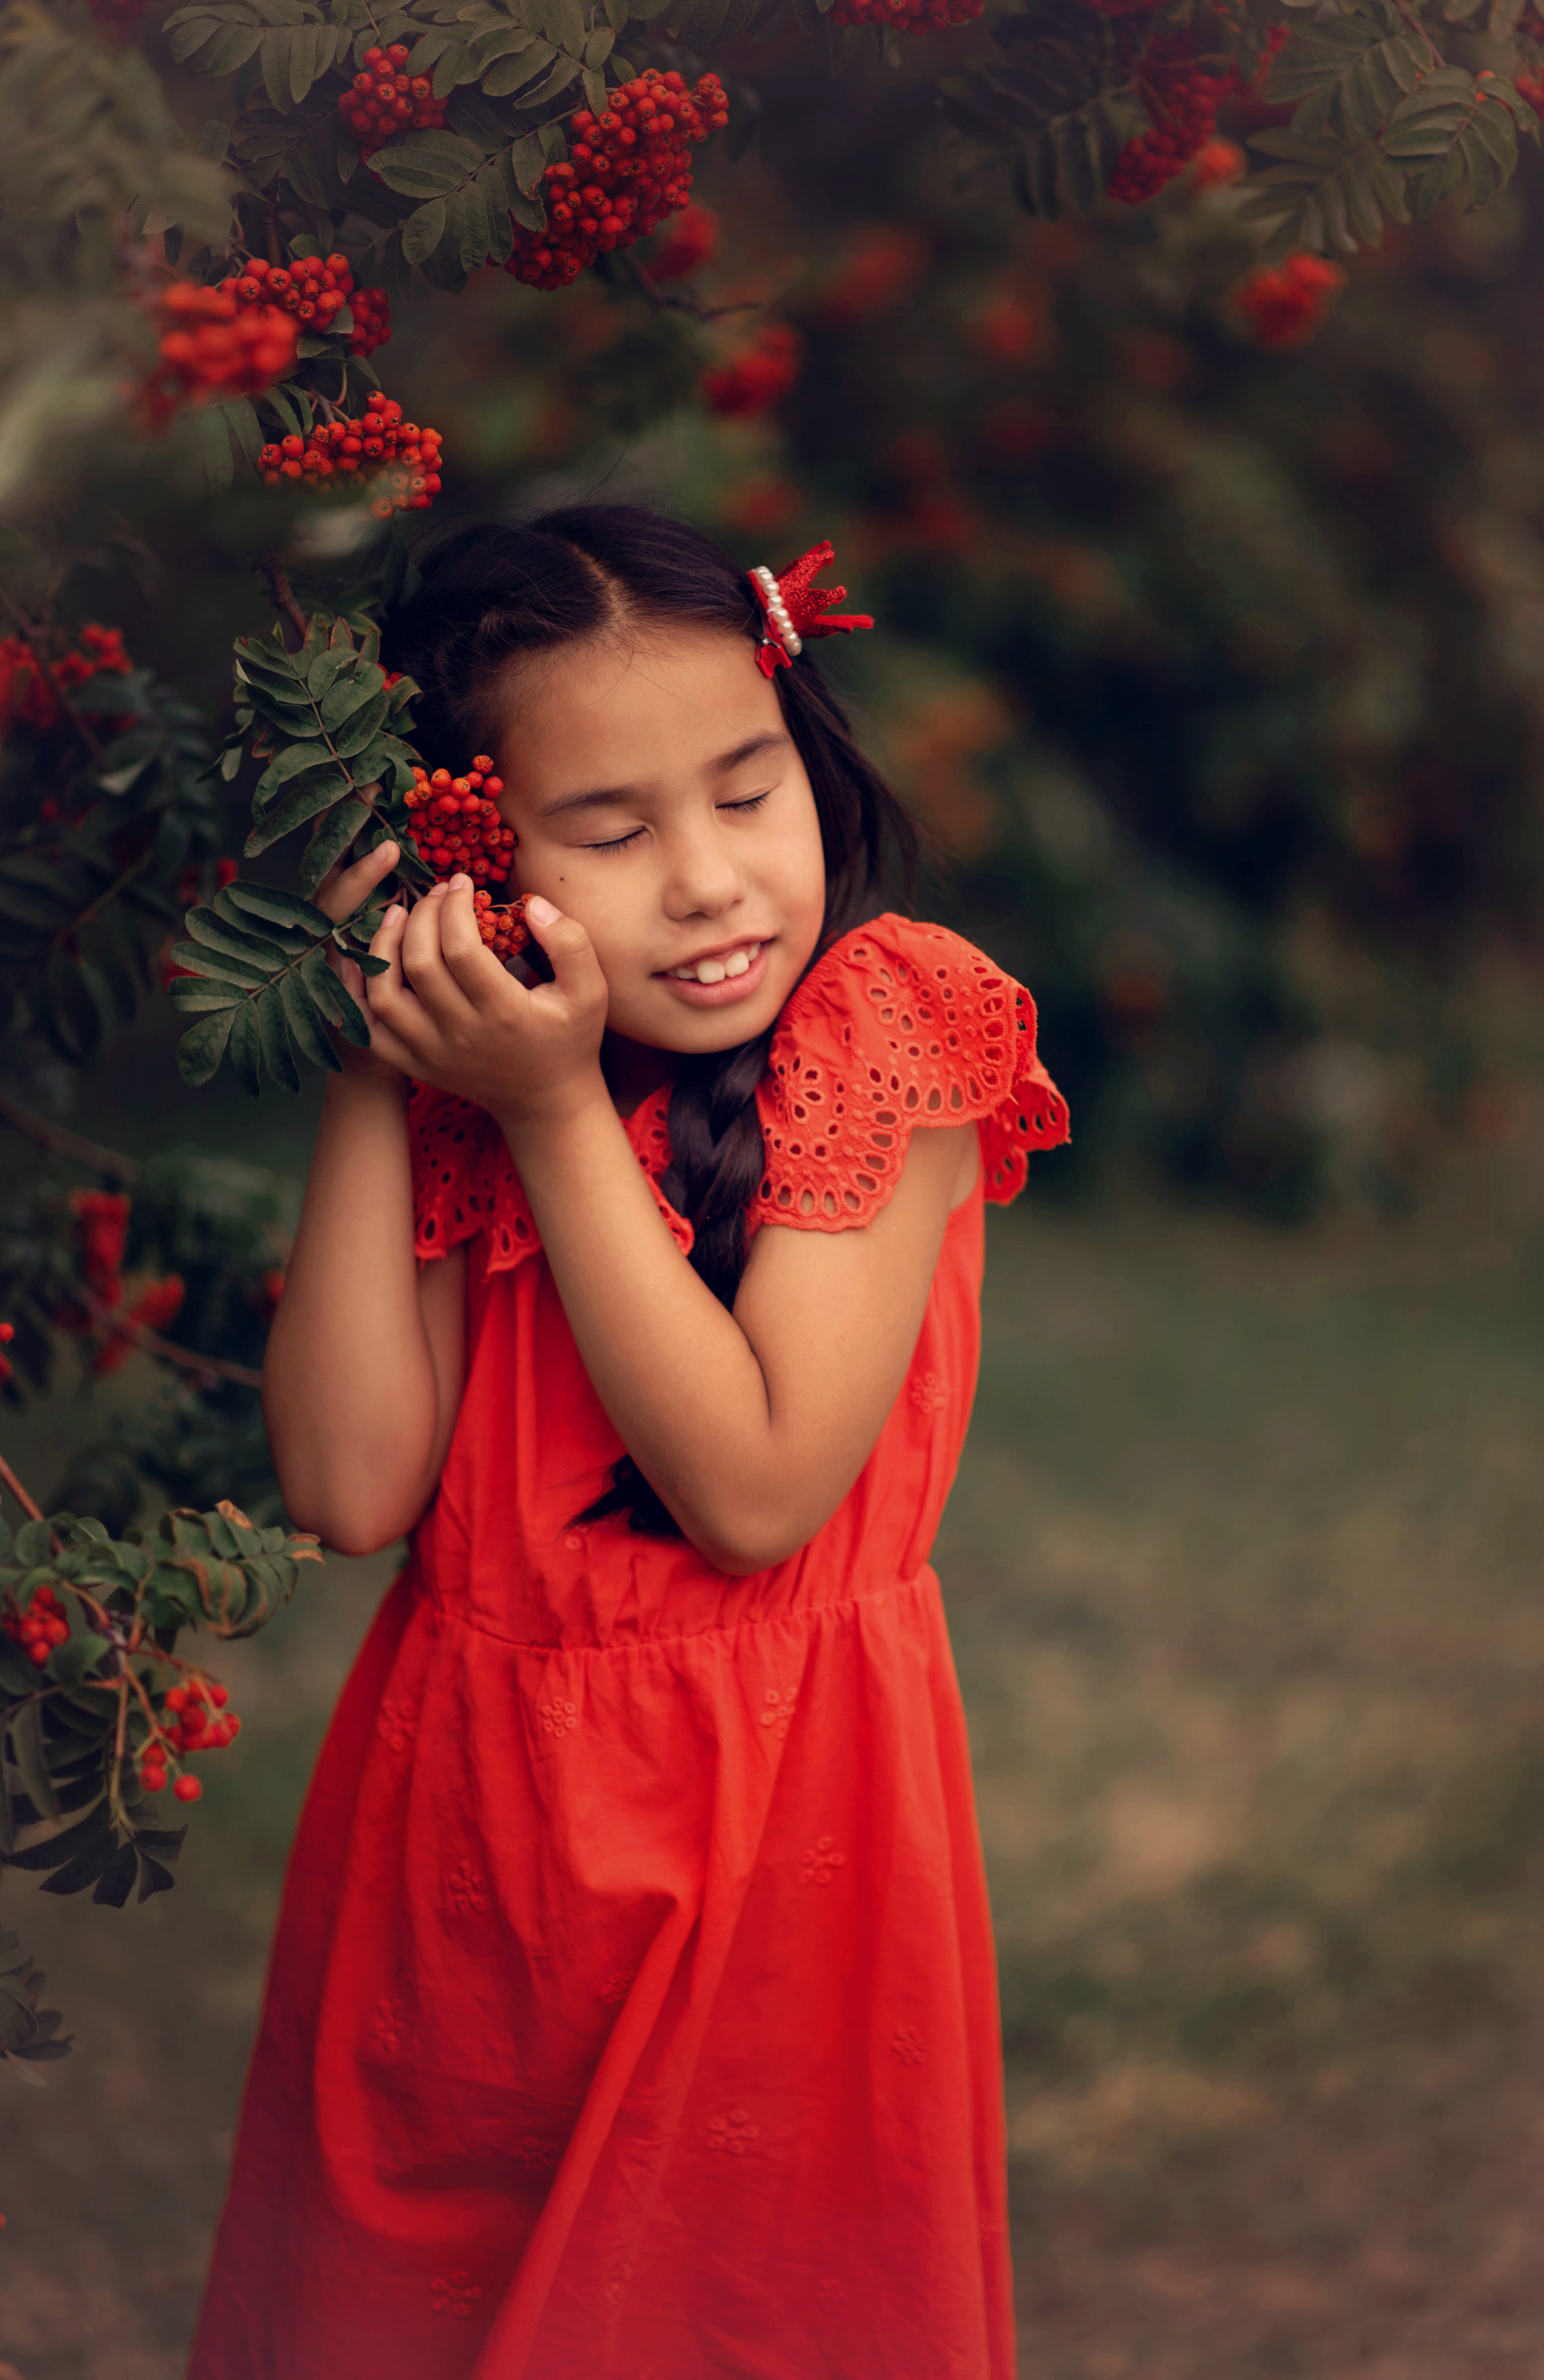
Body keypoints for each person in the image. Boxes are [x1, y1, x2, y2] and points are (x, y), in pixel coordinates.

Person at [187, 506, 1069, 2380]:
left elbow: (751, 1491)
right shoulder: (476, 1075)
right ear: (478, 853)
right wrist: (386, 1050)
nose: (707, 881)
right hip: (468, 1851)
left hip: (778, 1841)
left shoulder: (882, 1023)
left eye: (748, 793)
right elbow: (350, 1489)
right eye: (608, 831)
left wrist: (553, 1109)